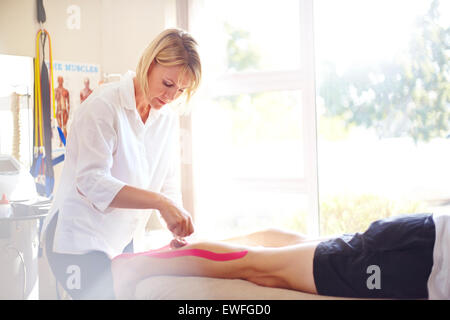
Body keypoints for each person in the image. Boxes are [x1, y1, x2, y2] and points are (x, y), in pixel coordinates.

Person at [40, 28, 202, 300]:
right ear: (150, 64)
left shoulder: (166, 119)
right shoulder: (103, 106)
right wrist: (161, 203)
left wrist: (174, 221)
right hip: (77, 239)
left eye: (182, 90)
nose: (172, 96)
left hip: (120, 240)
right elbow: (92, 183)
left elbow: (168, 180)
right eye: (168, 84)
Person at [111, 212, 450, 300]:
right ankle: (137, 266)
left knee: (281, 253)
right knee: (263, 269)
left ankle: (191, 247)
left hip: (421, 244)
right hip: (418, 259)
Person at [55, 75, 70, 142]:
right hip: (58, 110)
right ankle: (61, 141)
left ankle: (65, 141)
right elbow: (54, 99)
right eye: (59, 80)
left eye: (61, 80)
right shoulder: (55, 90)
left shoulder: (65, 91)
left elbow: (68, 103)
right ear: (57, 81)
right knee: (60, 126)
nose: (60, 81)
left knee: (64, 126)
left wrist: (68, 112)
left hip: (64, 110)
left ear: (63, 81)